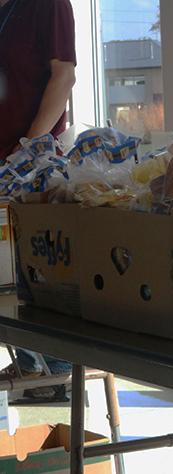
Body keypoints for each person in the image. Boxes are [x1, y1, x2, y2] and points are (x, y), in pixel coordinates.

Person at [0, 0, 76, 400]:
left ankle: (55, 368)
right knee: (5, 269)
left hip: (31, 160)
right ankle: (31, 362)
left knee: (31, 263)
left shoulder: (48, 5)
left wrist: (26, 146)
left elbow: (63, 77)